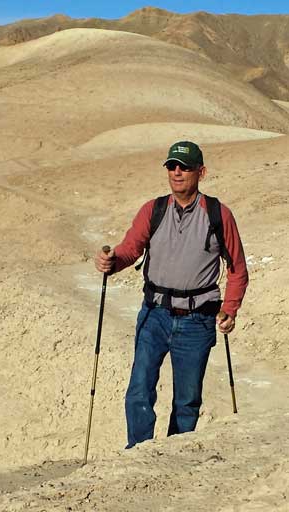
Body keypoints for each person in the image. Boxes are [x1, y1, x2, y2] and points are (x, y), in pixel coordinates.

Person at [95, 140, 248, 448]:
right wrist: (111, 263)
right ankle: (137, 454)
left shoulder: (219, 214)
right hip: (154, 315)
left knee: (187, 400)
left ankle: (175, 458)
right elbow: (129, 249)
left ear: (200, 172)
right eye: (172, 167)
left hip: (198, 320)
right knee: (138, 390)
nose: (177, 173)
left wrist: (229, 310)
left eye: (185, 167)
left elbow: (237, 270)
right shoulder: (154, 210)